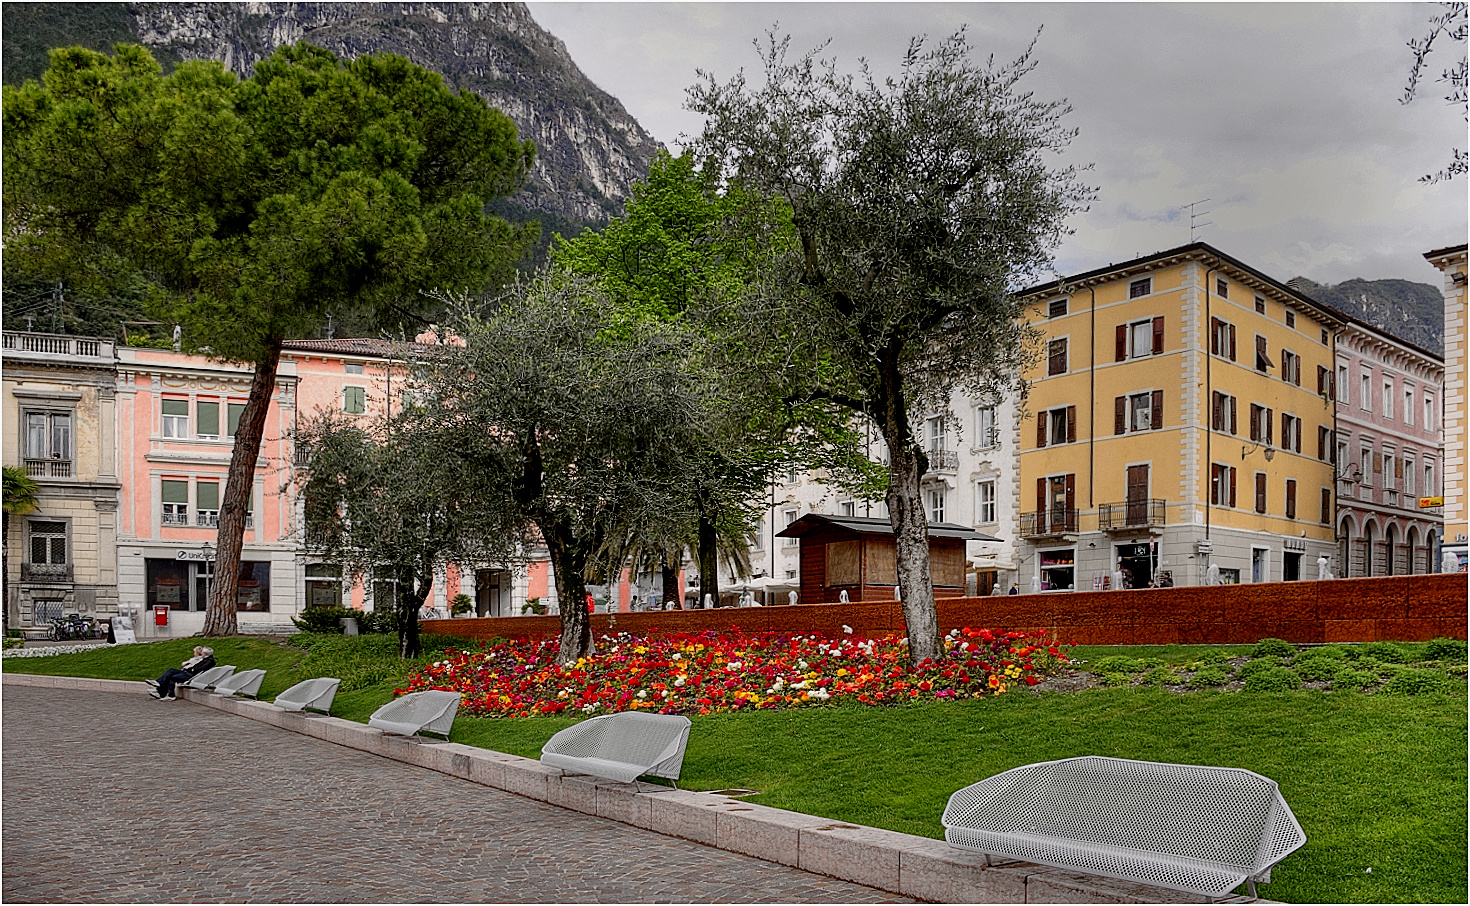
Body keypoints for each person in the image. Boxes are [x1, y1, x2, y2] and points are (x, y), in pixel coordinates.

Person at [147, 646, 215, 701]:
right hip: (187, 672)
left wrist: (192, 668)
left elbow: (199, 668)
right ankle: (159, 685)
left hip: (190, 675)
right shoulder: (206, 659)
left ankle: (166, 693)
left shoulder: (209, 661)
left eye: (202, 653)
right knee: (171, 670)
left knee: (172, 677)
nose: (201, 654)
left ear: (205, 654)